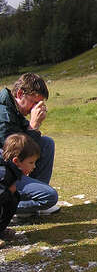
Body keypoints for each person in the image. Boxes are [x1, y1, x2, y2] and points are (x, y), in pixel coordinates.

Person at [0, 73, 59, 219]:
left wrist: (32, 128)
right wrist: (33, 126)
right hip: (4, 173)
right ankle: (8, 206)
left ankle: (31, 199)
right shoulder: (3, 115)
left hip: (8, 170)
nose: (35, 108)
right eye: (34, 102)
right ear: (20, 94)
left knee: (46, 143)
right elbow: (15, 153)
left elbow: (30, 144)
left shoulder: (13, 109)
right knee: (49, 197)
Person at [0, 133, 41, 246]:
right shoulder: (4, 173)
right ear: (16, 161)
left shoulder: (12, 171)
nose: (34, 166)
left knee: (13, 199)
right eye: (31, 162)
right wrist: (8, 192)